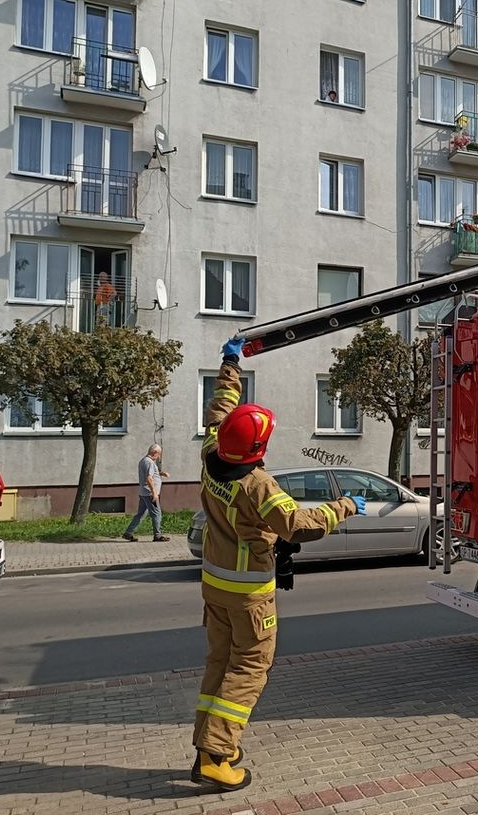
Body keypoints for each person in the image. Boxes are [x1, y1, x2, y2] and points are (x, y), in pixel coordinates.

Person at [189, 336, 366, 792]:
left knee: (219, 662)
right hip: (249, 594)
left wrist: (230, 361)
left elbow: (222, 404)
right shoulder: (258, 486)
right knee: (249, 669)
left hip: (214, 587)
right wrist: (346, 505)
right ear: (258, 448)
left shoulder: (211, 453)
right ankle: (216, 755)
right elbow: (300, 525)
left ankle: (206, 745)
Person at [122, 444, 170, 542]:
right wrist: (154, 493)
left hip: (144, 492)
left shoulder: (144, 461)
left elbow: (149, 474)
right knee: (157, 513)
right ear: (155, 453)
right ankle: (157, 535)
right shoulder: (149, 462)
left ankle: (128, 533)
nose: (159, 457)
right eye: (159, 454)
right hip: (149, 493)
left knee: (141, 514)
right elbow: (149, 478)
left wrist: (161, 473)